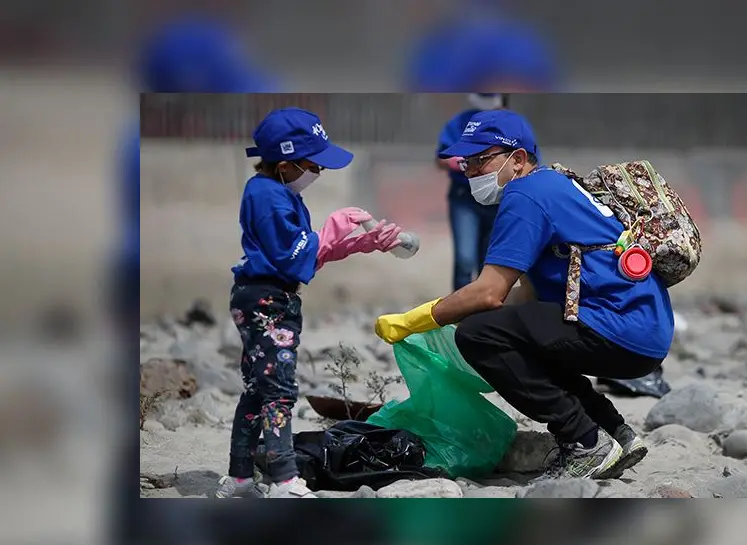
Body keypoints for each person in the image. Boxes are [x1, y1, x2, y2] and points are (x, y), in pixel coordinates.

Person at [375, 110, 674, 480]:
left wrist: (417, 319)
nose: (469, 171)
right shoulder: (552, 185)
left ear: (517, 159)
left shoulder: (525, 195)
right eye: (465, 162)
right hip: (644, 330)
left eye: (480, 160)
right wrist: (459, 311)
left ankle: (583, 441)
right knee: (515, 334)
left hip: (617, 327)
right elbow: (526, 298)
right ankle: (613, 432)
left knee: (479, 335)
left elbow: (489, 292)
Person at [217, 107, 402, 499]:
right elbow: (292, 255)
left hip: (266, 296)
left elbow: (310, 254)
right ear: (285, 164)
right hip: (267, 302)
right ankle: (284, 479)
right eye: (314, 165)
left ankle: (240, 477)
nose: (318, 172)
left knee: (257, 389)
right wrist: (334, 226)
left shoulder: (280, 192)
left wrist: (361, 243)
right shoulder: (267, 196)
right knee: (279, 391)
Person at [437, 93, 509, 291]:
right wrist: (453, 161)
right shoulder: (461, 122)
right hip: (465, 198)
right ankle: (459, 306)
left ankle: (482, 305)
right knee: (465, 259)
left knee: (489, 262)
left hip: (498, 199)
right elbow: (440, 158)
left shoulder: (512, 125)